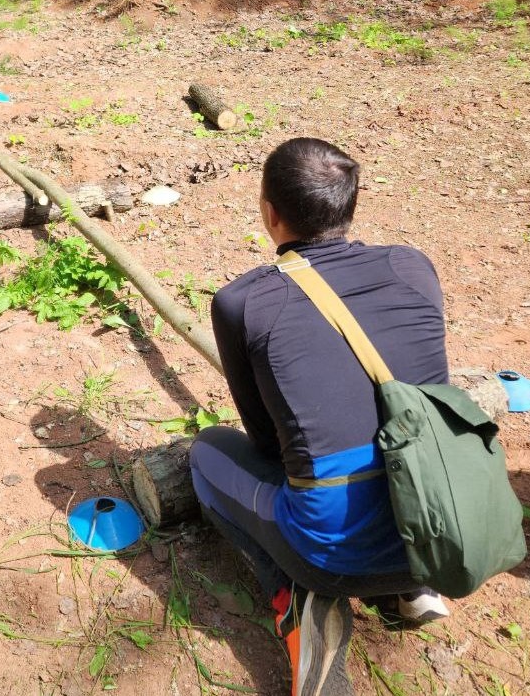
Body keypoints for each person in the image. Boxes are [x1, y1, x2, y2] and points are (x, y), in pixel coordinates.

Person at [189, 137, 451, 696]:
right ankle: (410, 586)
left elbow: (266, 444)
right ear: (351, 205)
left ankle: (299, 597)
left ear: (269, 212)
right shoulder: (413, 267)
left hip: (333, 548)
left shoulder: (243, 302)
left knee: (207, 451)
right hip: (440, 522)